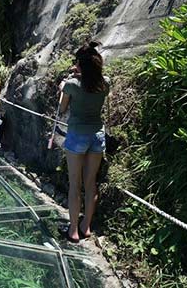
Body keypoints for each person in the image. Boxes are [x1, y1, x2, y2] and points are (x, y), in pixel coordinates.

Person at [58, 41, 110, 243]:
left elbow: (62, 109)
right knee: (90, 184)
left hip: (77, 135)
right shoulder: (105, 82)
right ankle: (85, 226)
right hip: (97, 135)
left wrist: (63, 87)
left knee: (75, 184)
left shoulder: (71, 85)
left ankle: (73, 230)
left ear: (80, 64)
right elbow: (93, 86)